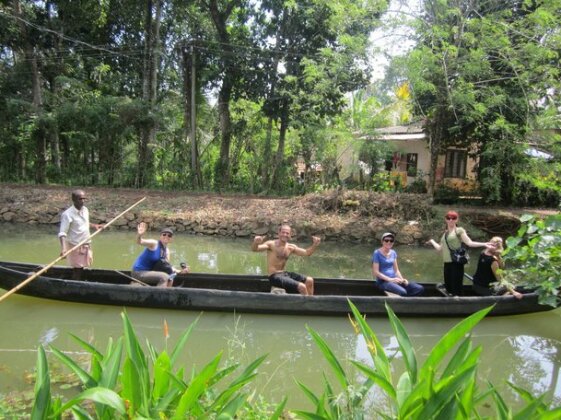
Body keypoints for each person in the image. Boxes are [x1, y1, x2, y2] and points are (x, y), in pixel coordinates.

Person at [426, 210, 494, 296]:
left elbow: (469, 243)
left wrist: (484, 244)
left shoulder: (459, 230)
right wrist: (432, 241)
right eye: (448, 218)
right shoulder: (445, 234)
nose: (451, 220)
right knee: (448, 288)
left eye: (453, 218)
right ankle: (452, 304)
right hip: (447, 264)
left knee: (456, 288)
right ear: (445, 219)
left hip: (456, 263)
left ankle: (459, 304)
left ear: (457, 220)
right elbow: (440, 248)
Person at [251, 223, 320, 295]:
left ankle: (310, 301)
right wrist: (256, 243)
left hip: (284, 274)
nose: (285, 235)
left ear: (290, 235)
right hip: (274, 276)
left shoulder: (291, 247)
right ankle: (306, 305)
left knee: (310, 280)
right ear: (279, 233)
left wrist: (315, 245)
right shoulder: (271, 244)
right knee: (302, 287)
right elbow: (255, 249)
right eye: (283, 232)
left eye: (287, 233)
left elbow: (307, 253)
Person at [58, 189, 104, 280]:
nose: (82, 201)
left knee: (81, 267)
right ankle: (74, 286)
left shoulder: (85, 210)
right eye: (80, 199)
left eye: (84, 199)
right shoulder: (67, 214)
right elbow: (62, 233)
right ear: (74, 199)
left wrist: (95, 226)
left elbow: (84, 223)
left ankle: (78, 282)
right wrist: (64, 249)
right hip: (75, 245)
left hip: (86, 243)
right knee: (78, 269)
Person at [131, 222, 189, 287]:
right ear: (160, 236)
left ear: (171, 239)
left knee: (170, 276)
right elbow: (139, 241)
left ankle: (167, 293)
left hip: (149, 272)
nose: (166, 236)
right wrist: (139, 235)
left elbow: (168, 267)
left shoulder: (166, 251)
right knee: (164, 277)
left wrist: (180, 271)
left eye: (169, 235)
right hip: (138, 272)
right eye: (164, 234)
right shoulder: (154, 243)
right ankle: (159, 296)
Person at [372, 232, 424, 296]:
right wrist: (390, 279)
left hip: (395, 279)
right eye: (386, 240)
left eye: (391, 241)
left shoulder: (393, 253)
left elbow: (396, 270)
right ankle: (406, 301)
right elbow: (376, 272)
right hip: (383, 282)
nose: (389, 242)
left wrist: (402, 280)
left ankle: (407, 301)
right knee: (403, 292)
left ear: (393, 242)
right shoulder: (377, 253)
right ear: (382, 241)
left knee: (419, 288)